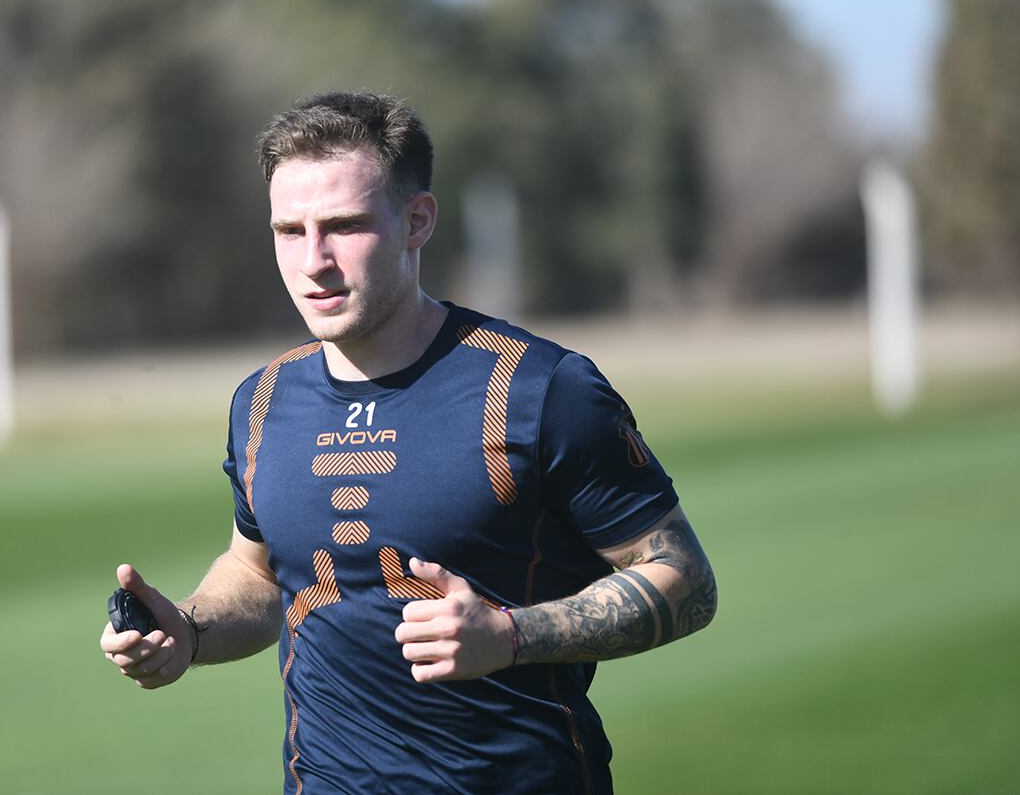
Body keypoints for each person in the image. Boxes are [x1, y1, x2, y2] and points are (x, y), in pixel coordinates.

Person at [101, 91, 717, 794]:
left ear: (417, 221)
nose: (314, 260)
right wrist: (189, 628)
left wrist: (510, 636)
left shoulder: (542, 389)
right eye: (288, 230)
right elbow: (260, 573)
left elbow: (687, 579)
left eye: (344, 225)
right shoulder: (263, 401)